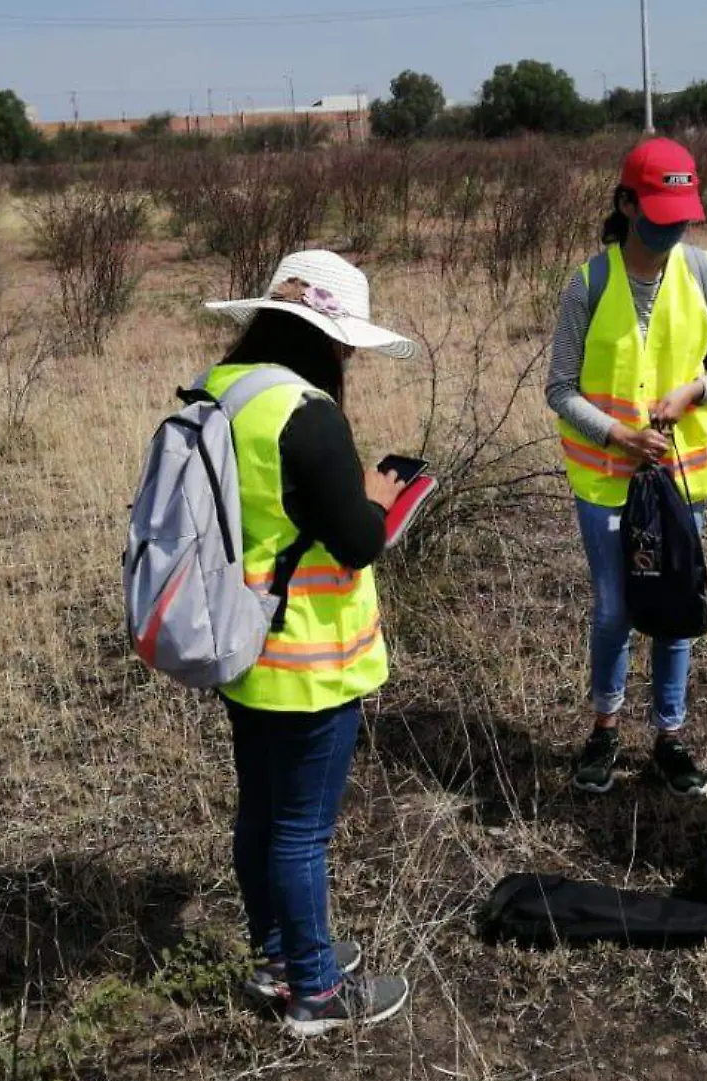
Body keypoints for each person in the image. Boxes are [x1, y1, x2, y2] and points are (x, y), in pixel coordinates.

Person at [201, 250, 414, 1035]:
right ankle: (316, 994)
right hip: (310, 662)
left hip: (240, 640)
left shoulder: (223, 391)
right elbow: (357, 543)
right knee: (301, 832)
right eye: (347, 339)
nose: (352, 354)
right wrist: (379, 497)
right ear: (325, 335)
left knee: (260, 811)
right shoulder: (307, 413)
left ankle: (278, 958)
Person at [545, 137, 707, 798]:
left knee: (674, 606)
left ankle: (671, 736)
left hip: (684, 476)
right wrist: (620, 436)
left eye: (681, 215)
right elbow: (560, 389)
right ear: (626, 203)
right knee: (614, 609)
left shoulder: (705, 272)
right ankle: (604, 729)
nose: (671, 228)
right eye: (657, 213)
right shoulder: (588, 283)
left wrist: (693, 393)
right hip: (605, 480)